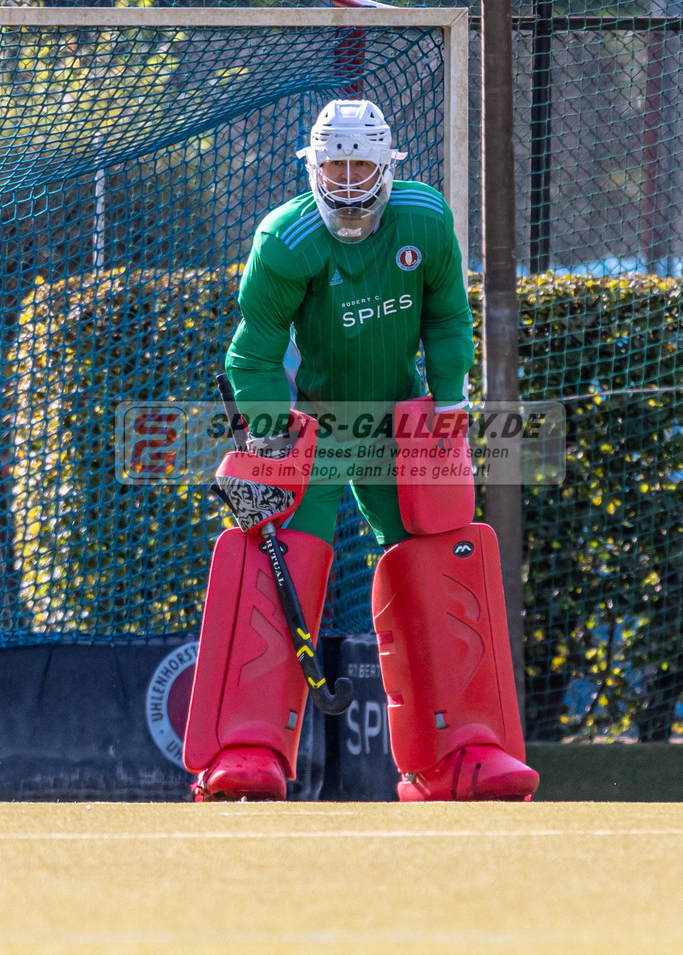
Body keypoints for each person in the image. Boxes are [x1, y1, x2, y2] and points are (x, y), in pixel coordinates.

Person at [183, 98, 539, 802]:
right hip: (312, 425)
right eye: (334, 164)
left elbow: (446, 316)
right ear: (314, 166)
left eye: (359, 164)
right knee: (273, 555)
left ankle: (458, 752)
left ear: (386, 165)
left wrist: (448, 403)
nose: (347, 179)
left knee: (441, 553)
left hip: (400, 424)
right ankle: (246, 747)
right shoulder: (284, 241)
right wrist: (267, 429)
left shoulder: (425, 220)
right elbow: (249, 354)